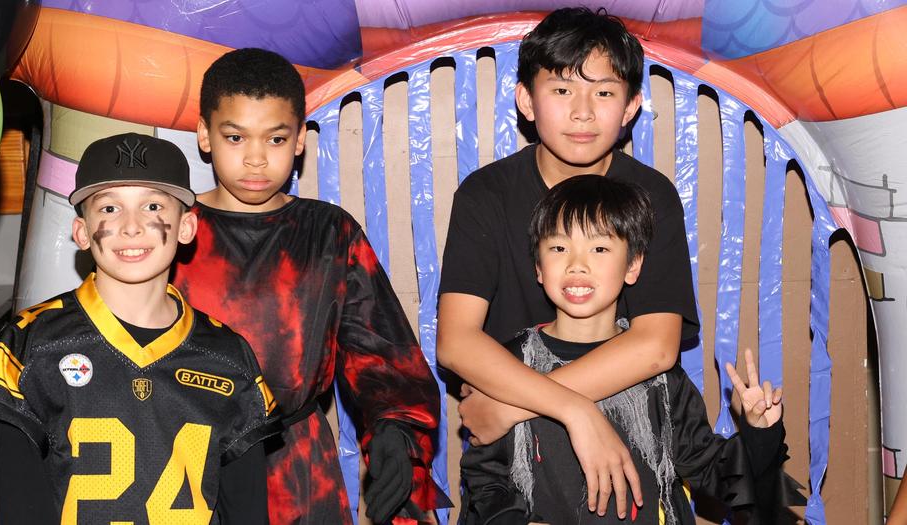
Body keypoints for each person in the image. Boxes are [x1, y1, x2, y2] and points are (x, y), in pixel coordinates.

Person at [0, 132, 282, 525]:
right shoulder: (29, 347)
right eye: (109, 209)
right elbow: (20, 511)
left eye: (152, 206)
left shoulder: (227, 357)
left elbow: (247, 510)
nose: (131, 226)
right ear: (81, 232)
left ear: (186, 226)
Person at [437, 7, 699, 517]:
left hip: (629, 436)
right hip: (511, 462)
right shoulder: (486, 193)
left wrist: (512, 406)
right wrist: (571, 409)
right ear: (526, 101)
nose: (583, 112)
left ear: (631, 107)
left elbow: (657, 345)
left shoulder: (651, 195)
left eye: (603, 92)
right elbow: (456, 340)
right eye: (561, 90)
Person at [171, 48, 448, 524]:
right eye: (235, 137)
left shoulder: (327, 233)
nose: (255, 159)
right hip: (179, 466)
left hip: (296, 469)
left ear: (299, 139)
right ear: (204, 134)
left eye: (275, 139)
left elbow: (382, 354)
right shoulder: (169, 230)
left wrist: (394, 436)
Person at [460, 175, 803, 524]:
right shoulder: (510, 364)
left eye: (599, 249)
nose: (577, 264)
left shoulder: (655, 375)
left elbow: (716, 473)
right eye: (559, 248)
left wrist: (760, 431)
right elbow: (486, 480)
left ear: (633, 266)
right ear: (538, 267)